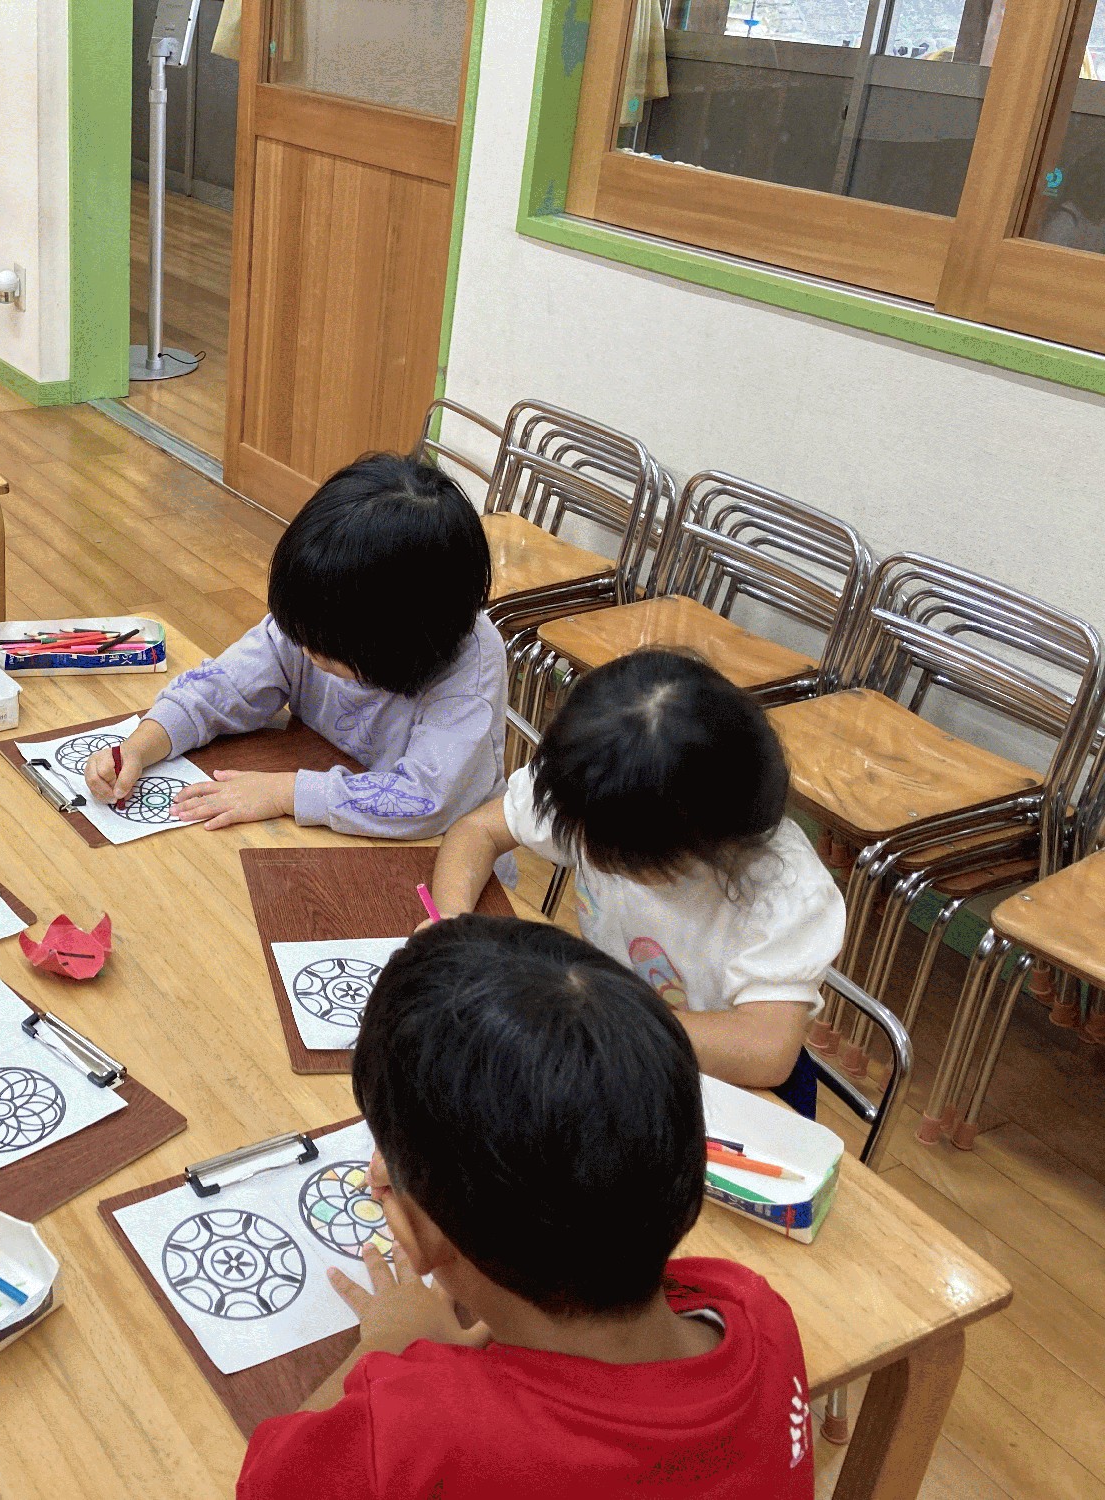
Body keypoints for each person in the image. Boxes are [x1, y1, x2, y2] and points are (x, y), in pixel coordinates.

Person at [237, 916, 813, 1500]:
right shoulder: (755, 1310)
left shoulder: (415, 1431)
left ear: (415, 1230)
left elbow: (265, 1484)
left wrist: (384, 1346)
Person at [427, 649, 844, 1108]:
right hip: (613, 1041)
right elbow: (478, 831)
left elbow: (766, 1052)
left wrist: (596, 1013)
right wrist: (451, 921)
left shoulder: (782, 890)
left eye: (611, 855)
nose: (586, 851)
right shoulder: (595, 787)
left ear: (699, 842)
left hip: (728, 1082)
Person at [83, 453, 506, 839]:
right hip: (327, 819)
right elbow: (225, 685)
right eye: (301, 636)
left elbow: (424, 799)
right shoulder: (323, 616)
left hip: (440, 857)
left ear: (400, 640)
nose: (305, 652)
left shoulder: (468, 668)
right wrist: (141, 746)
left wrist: (285, 792)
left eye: (326, 648)